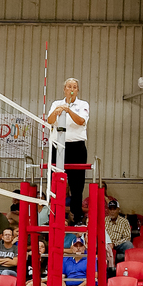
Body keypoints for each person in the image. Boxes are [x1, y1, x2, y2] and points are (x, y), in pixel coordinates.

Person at [46, 77, 90, 224]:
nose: (71, 89)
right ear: (64, 89)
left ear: (77, 90)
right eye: (69, 86)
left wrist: (68, 110)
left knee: (77, 185)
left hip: (77, 147)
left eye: (74, 87)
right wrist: (58, 111)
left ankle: (76, 217)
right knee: (56, 182)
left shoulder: (83, 104)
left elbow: (81, 121)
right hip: (58, 146)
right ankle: (53, 215)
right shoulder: (56, 104)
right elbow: (50, 120)